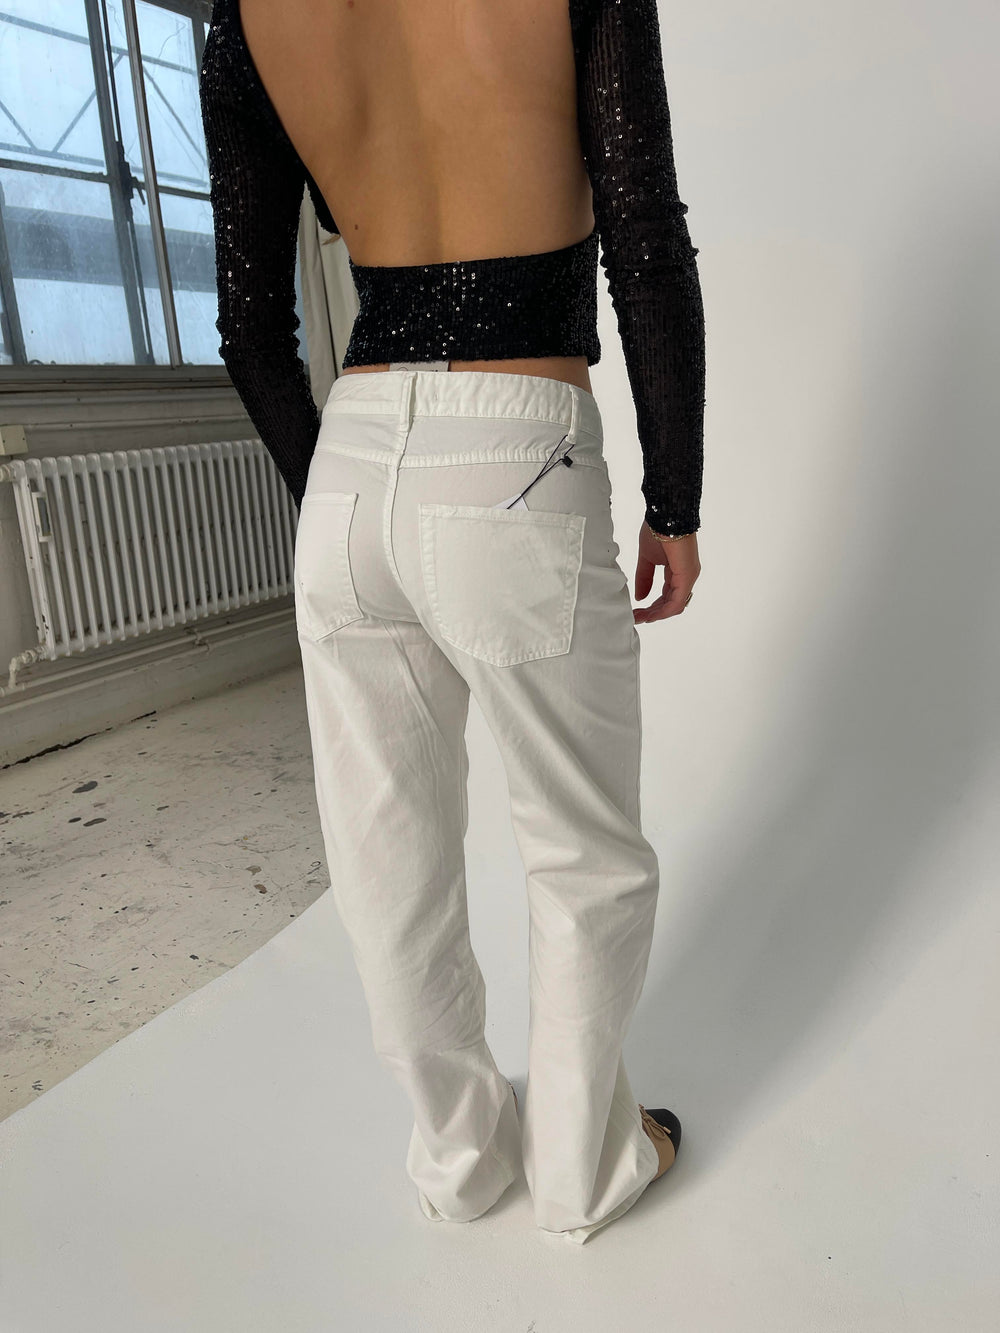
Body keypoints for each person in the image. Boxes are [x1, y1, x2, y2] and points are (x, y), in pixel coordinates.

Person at [199, 0, 704, 1244]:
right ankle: (584, 1167)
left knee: (386, 853)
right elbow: (642, 236)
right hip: (517, 449)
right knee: (581, 848)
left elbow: (252, 327)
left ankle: (461, 1157)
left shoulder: (245, 16)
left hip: (350, 465)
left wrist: (341, 501)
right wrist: (674, 500)